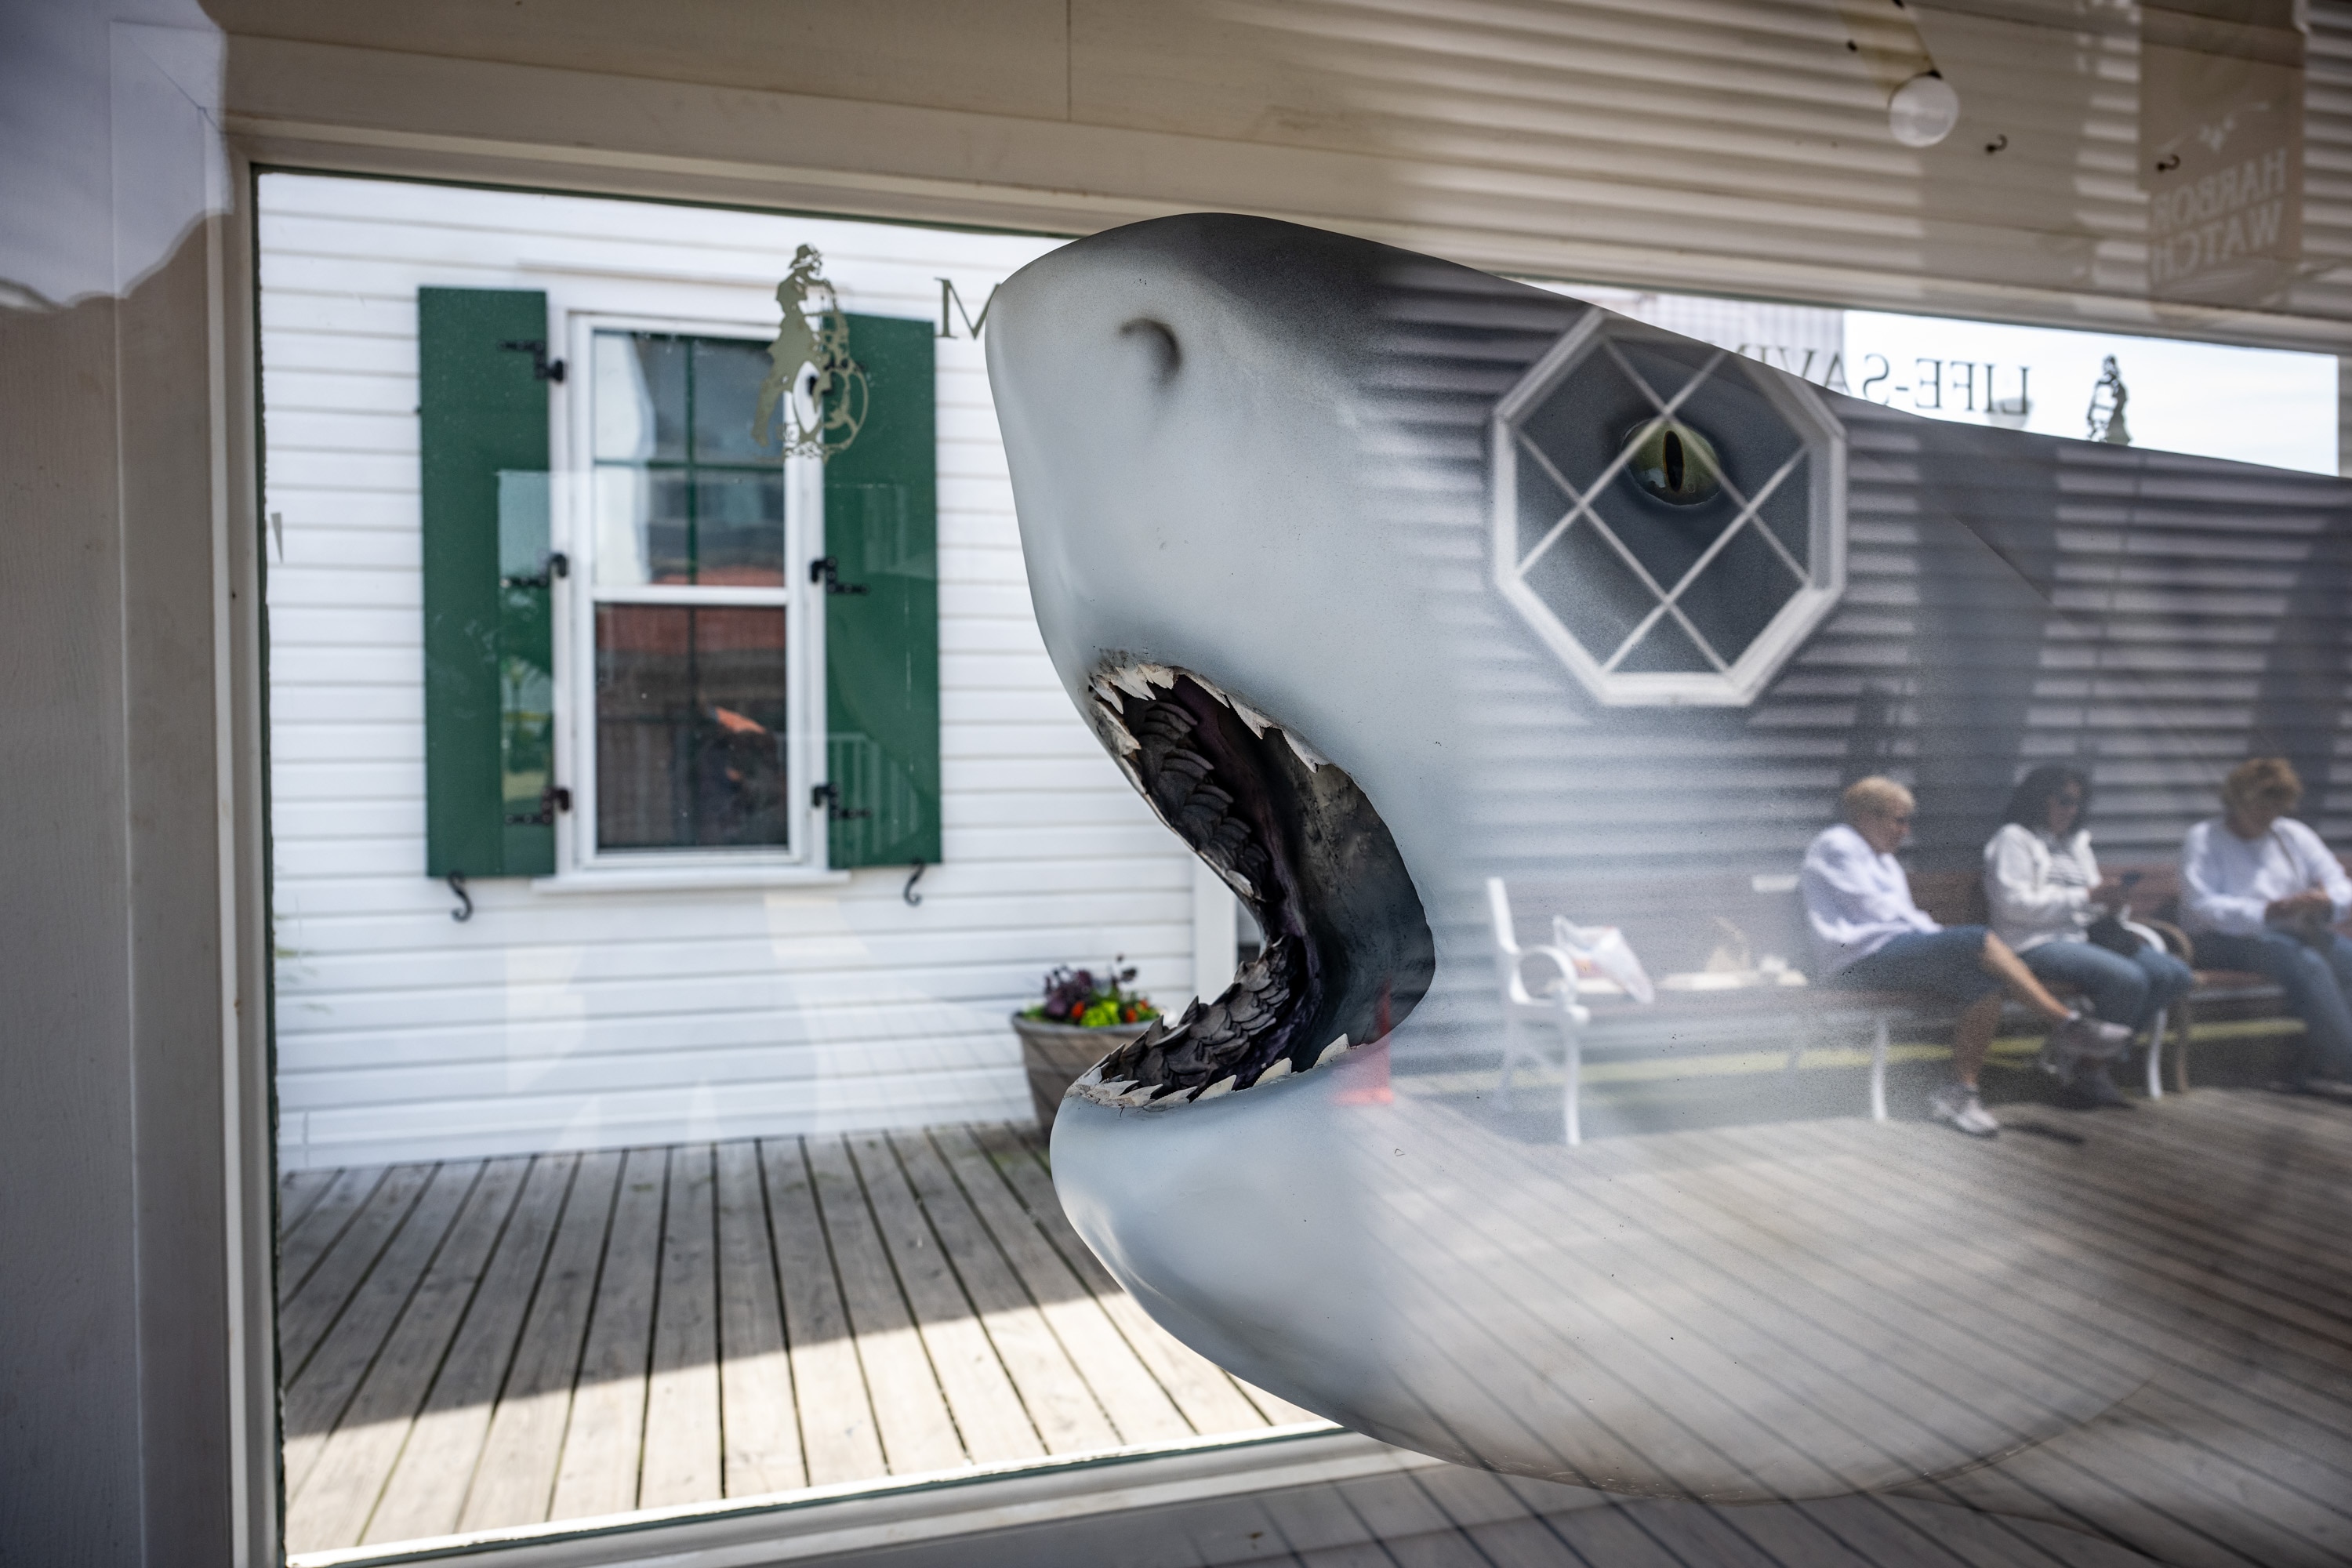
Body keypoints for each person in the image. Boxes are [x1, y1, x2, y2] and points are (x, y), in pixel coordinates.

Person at [1802, 776, 2131, 1137]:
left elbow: (1906, 917)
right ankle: (2066, 1023)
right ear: (1866, 816)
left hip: (1890, 953)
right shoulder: (1838, 844)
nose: (1904, 831)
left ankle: (1962, 1094)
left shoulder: (1883, 859)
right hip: (1854, 962)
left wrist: (1947, 940)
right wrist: (1955, 941)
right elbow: (1875, 911)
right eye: (1897, 820)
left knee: (1983, 983)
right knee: (1978, 938)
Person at [1984, 765, 2194, 1109]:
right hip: (2032, 943)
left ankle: (2090, 1063)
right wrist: (2087, 898)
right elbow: (2012, 906)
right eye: (2064, 801)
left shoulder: (2076, 845)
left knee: (2173, 974)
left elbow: (2091, 901)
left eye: (2077, 804)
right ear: (2040, 799)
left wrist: (2113, 905)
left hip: (2082, 938)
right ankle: (2089, 1073)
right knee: (2129, 980)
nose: (2071, 811)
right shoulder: (2014, 839)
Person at [2180, 757, 2352, 1094]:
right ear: (2236, 800)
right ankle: (2346, 1064)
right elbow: (2201, 905)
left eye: (2276, 806)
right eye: (2260, 805)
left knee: (2347, 958)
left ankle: (2322, 1063)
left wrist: (2327, 901)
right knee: (2309, 964)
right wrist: (2266, 911)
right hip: (2221, 940)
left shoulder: (2293, 835)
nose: (2267, 814)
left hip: (2290, 935)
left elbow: (2340, 883)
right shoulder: (2204, 838)